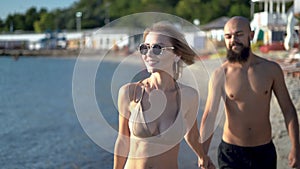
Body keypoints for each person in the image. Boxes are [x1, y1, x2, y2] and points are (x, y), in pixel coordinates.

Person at [200, 16, 300, 169]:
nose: (234, 40)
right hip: (231, 154)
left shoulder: (271, 70)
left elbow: (288, 110)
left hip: (263, 151)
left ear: (251, 35)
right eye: (228, 36)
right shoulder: (220, 74)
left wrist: (296, 148)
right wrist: (202, 155)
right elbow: (210, 116)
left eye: (239, 34)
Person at [113, 21, 214, 169]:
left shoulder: (189, 96)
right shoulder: (130, 93)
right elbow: (122, 140)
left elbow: (191, 135)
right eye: (144, 48)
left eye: (157, 48)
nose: (148, 54)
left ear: (176, 55)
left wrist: (203, 157)